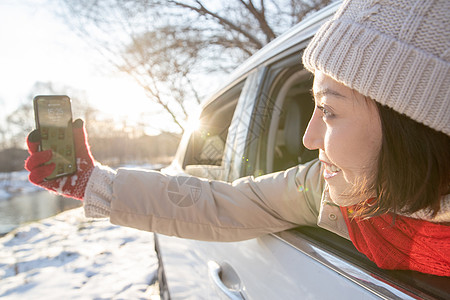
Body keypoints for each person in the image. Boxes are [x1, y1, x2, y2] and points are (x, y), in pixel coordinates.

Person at [25, 0, 449, 276]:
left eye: (329, 111)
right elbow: (224, 204)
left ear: (414, 127)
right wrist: (94, 183)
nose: (307, 138)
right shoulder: (323, 189)